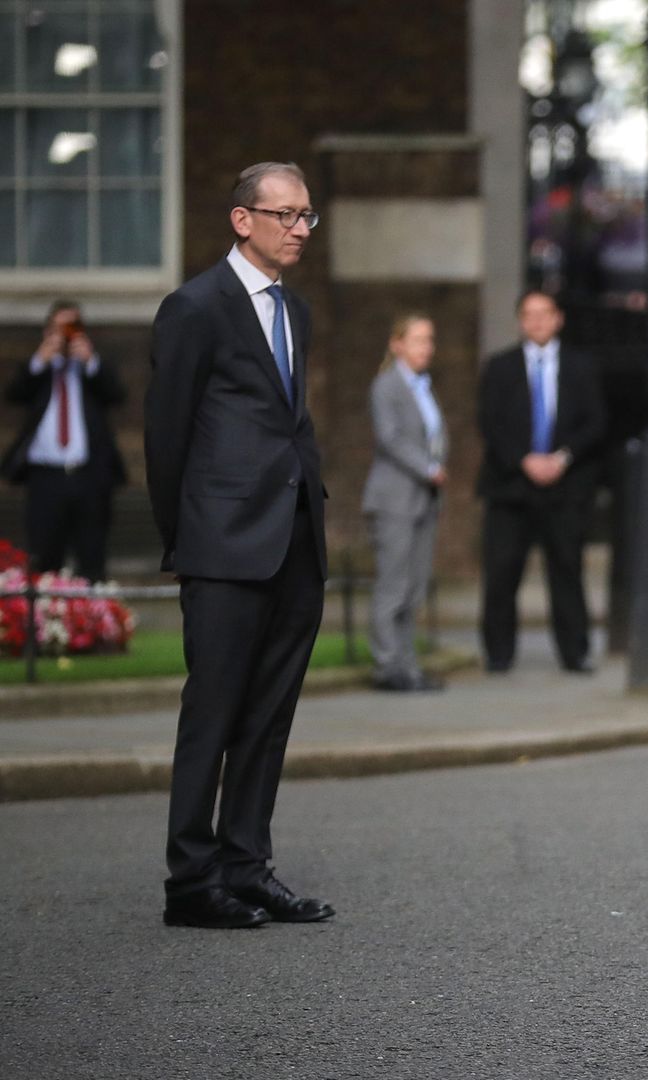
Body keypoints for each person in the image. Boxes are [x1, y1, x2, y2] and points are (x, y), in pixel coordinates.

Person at [145, 161, 334, 929]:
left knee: (269, 717)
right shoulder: (194, 307)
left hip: (294, 540)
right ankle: (190, 883)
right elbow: (166, 437)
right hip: (223, 546)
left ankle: (246, 867)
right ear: (242, 220)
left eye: (306, 217)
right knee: (214, 714)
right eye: (284, 215)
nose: (298, 229)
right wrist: (186, 540)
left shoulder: (296, 311)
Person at [476, 290, 606, 674]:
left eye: (544, 314)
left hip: (565, 487)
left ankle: (575, 652)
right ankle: (499, 654)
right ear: (520, 321)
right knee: (502, 572)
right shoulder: (499, 367)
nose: (536, 322)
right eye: (528, 315)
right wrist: (523, 460)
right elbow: (489, 422)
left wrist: (561, 458)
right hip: (510, 487)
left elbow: (596, 421)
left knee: (566, 570)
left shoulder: (581, 366)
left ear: (558, 318)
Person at [3, 299, 127, 581]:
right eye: (59, 328)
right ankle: (45, 622)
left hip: (88, 476)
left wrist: (89, 360)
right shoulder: (40, 371)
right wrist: (41, 358)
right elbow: (14, 394)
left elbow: (117, 394)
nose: (66, 336)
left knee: (92, 558)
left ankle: (96, 620)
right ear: (48, 331)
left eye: (73, 328)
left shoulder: (91, 369)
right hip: (46, 478)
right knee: (44, 559)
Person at [362, 313, 447, 692]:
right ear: (397, 344)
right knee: (392, 587)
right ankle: (387, 665)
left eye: (429, 340)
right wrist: (428, 469)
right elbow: (390, 439)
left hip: (423, 501)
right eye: (417, 340)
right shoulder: (387, 386)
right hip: (394, 499)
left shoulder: (422, 387)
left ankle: (406, 665)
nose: (426, 347)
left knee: (414, 587)